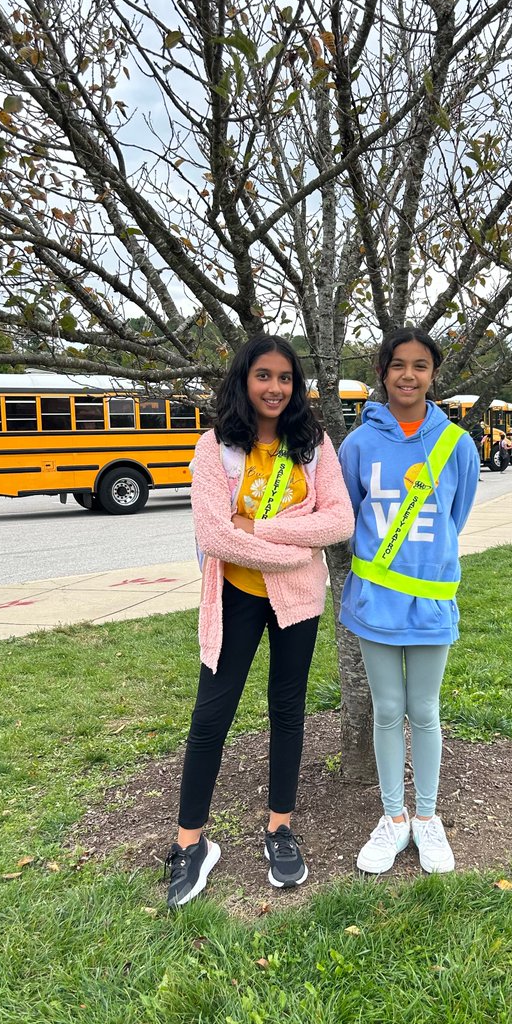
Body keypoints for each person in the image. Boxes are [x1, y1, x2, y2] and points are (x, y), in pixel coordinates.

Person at [165, 335, 354, 909]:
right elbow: (214, 534)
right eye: (263, 376)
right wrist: (293, 544)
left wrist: (259, 530)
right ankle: (190, 842)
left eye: (286, 378)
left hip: (297, 599)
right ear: (244, 380)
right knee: (210, 715)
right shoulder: (214, 449)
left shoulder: (312, 445)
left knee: (287, 709)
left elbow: (339, 522)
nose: (275, 388)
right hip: (235, 597)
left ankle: (280, 827)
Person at [338, 329, 479, 876]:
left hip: (431, 605)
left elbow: (456, 515)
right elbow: (348, 517)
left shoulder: (457, 445)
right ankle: (393, 818)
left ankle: (426, 816)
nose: (408, 375)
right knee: (387, 710)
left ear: (433, 375)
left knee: (424, 712)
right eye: (398, 365)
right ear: (382, 373)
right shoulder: (357, 445)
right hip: (375, 603)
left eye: (420, 366)